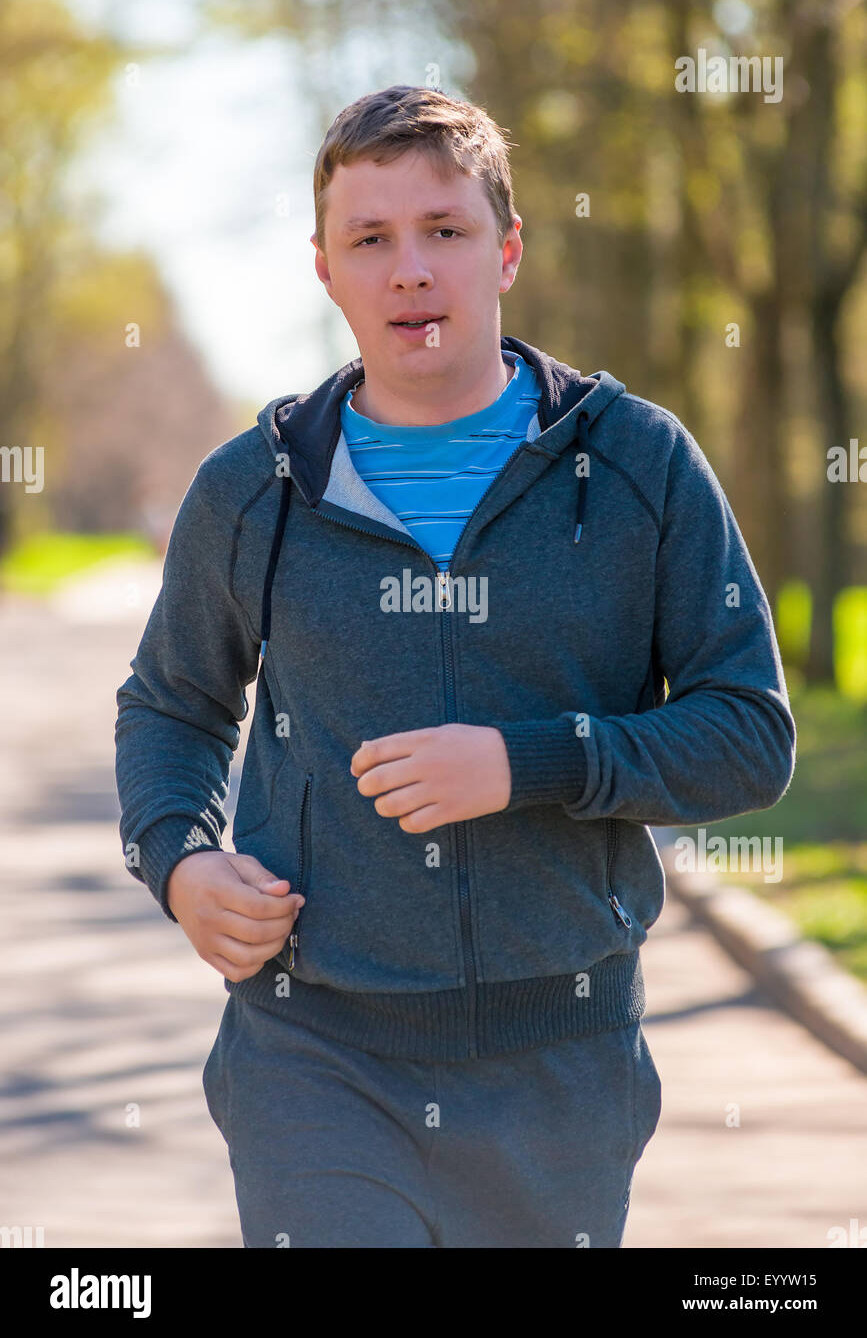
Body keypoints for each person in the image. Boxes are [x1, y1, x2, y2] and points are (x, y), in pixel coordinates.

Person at [114, 84, 796, 1249]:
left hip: (562, 1063)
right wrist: (179, 861)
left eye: (445, 231)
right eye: (369, 240)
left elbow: (750, 734)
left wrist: (533, 762)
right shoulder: (252, 489)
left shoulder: (637, 464)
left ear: (507, 250)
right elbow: (170, 705)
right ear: (324, 270)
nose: (409, 270)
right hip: (312, 1054)